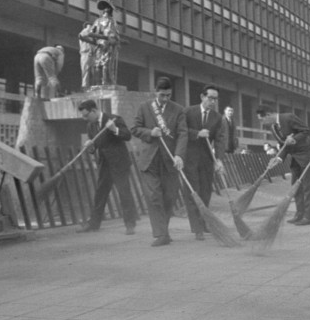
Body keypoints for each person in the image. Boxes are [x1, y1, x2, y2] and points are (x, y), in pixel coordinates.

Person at [131, 77, 187, 247]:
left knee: (169, 197)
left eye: (168, 95)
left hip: (169, 159)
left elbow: (183, 133)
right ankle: (161, 234)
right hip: (150, 160)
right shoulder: (145, 107)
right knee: (154, 196)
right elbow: (135, 129)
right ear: (156, 92)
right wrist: (150, 132)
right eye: (162, 95)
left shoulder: (178, 110)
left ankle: (164, 231)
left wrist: (179, 155)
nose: (165, 99)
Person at [76, 100, 138, 235]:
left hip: (119, 163)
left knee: (124, 192)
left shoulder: (114, 119)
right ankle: (94, 223)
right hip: (104, 164)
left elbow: (127, 135)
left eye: (86, 115)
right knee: (100, 194)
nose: (84, 118)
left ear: (93, 111)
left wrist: (114, 129)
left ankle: (130, 224)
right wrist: (90, 146)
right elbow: (95, 147)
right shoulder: (90, 126)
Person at [257, 105, 310, 226]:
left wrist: (294, 138)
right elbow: (283, 145)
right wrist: (278, 158)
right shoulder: (273, 128)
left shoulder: (288, 117)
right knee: (295, 186)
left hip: (307, 155)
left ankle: (309, 217)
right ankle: (299, 214)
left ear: (268, 115)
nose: (262, 123)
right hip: (295, 157)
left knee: (308, 186)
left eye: (262, 119)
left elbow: (305, 130)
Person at [182, 85, 225, 241]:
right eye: (210, 98)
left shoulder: (217, 117)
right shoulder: (188, 112)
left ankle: (204, 222)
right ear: (202, 96)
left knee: (205, 192)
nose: (213, 101)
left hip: (207, 159)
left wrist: (219, 159)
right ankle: (197, 228)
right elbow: (180, 131)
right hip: (190, 158)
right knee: (193, 192)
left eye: (215, 99)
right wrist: (197, 134)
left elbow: (220, 139)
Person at [91, 0, 122, 86]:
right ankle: (103, 82)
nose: (106, 9)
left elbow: (92, 31)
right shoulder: (108, 21)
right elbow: (113, 32)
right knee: (104, 63)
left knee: (100, 63)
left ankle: (101, 82)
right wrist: (116, 39)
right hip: (105, 43)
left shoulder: (100, 20)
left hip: (101, 43)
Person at [78, 22, 96, 89]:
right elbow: (87, 33)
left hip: (92, 54)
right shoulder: (84, 31)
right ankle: (85, 86)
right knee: (85, 70)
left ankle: (92, 86)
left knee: (93, 71)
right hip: (85, 53)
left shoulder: (92, 36)